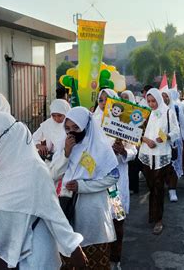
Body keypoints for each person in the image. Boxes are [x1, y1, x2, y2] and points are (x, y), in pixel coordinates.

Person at [0, 112, 86, 269]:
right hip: (7, 255)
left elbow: (53, 212)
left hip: (34, 254)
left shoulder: (33, 171)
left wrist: (73, 247)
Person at [50, 107, 119, 270]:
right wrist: (66, 153)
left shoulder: (100, 147)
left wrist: (83, 186)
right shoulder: (63, 145)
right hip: (66, 208)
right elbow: (52, 174)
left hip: (92, 211)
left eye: (76, 128)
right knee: (69, 259)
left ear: (86, 126)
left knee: (95, 261)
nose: (71, 132)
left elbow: (113, 176)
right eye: (67, 128)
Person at [138, 88, 180, 235]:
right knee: (151, 187)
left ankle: (158, 220)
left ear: (159, 99)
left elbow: (176, 132)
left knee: (158, 187)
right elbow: (136, 131)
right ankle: (153, 215)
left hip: (161, 154)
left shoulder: (168, 112)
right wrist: (146, 140)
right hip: (146, 154)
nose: (151, 104)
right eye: (149, 101)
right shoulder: (146, 113)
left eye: (153, 100)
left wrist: (166, 137)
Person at [107, 91, 138, 270]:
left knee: (117, 220)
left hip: (115, 185)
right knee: (98, 223)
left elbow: (133, 150)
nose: (103, 104)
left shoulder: (125, 123)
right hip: (96, 185)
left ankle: (115, 259)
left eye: (107, 101)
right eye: (101, 100)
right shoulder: (92, 123)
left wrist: (124, 152)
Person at [162, 89, 184, 202]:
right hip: (161, 142)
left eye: (166, 96)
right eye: (162, 96)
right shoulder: (157, 110)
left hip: (174, 141)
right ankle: (167, 185)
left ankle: (172, 190)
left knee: (174, 165)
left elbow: (183, 123)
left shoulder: (176, 107)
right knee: (164, 166)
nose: (164, 98)